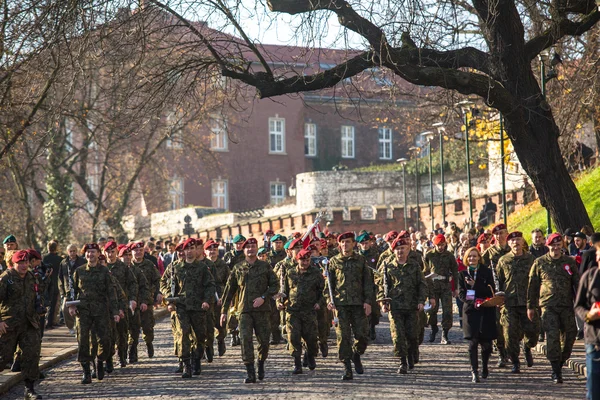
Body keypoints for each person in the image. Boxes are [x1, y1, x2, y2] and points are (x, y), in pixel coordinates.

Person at [220, 237, 279, 383]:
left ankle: (260, 363)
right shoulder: (238, 268)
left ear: (256, 248)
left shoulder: (265, 267)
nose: (250, 249)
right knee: (245, 340)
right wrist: (224, 311)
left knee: (264, 341)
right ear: (244, 250)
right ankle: (250, 371)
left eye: (253, 247)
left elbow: (275, 285)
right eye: (248, 247)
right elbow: (229, 291)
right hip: (244, 310)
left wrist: (264, 297)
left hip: (262, 310)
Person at [527, 233, 580, 383]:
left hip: (566, 306)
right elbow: (532, 286)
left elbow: (577, 283)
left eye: (558, 245)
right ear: (548, 246)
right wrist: (530, 306)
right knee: (552, 337)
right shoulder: (540, 262)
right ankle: (556, 370)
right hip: (548, 306)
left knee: (570, 334)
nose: (556, 248)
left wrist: (581, 302)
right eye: (553, 245)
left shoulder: (569, 262)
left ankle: (561, 361)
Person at [161, 238, 215, 378]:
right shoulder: (175, 267)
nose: (189, 251)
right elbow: (164, 284)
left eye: (192, 249)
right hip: (181, 306)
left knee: (199, 336)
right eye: (186, 249)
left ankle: (196, 359)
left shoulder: (202, 267)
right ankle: (186, 364)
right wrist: (169, 300)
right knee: (183, 334)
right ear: (183, 251)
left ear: (195, 250)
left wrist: (207, 301)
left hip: (198, 307)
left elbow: (210, 285)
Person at [324, 231, 373, 381]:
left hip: (358, 304)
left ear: (353, 244)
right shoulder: (333, 262)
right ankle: (347, 368)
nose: (345, 245)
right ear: (339, 244)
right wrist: (328, 300)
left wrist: (368, 301)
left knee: (363, 336)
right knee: (343, 337)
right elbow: (329, 285)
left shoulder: (361, 260)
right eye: (343, 242)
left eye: (348, 242)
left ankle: (356, 354)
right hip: (341, 305)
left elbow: (368, 283)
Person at [68, 243, 120, 384]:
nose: (90, 255)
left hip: (101, 311)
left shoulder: (104, 271)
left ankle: (100, 360)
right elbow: (72, 291)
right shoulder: (79, 271)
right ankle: (86, 372)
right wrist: (71, 305)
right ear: (85, 255)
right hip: (83, 312)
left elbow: (111, 292)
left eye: (93, 252)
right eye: (88, 252)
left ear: (98, 254)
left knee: (105, 340)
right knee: (83, 341)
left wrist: (115, 311)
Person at [376, 236, 427, 374]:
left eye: (403, 248)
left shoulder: (414, 265)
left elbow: (422, 284)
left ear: (408, 249)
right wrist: (382, 301)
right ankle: (402, 361)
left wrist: (421, 301)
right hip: (395, 307)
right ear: (393, 251)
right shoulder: (388, 265)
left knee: (412, 335)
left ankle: (412, 353)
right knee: (398, 336)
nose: (400, 251)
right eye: (397, 249)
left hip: (411, 306)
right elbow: (381, 285)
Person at [0, 250, 43, 399]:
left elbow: (36, 296)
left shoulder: (31, 277)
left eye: (26, 262)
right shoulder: (6, 278)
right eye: (20, 263)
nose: (24, 265)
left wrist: (39, 308)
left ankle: (29, 389)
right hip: (9, 324)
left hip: (29, 323)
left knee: (31, 355)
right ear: (13, 263)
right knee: (2, 357)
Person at [496, 231, 539, 373]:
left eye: (518, 240)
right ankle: (515, 361)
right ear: (509, 243)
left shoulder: (531, 259)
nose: (516, 242)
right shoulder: (503, 260)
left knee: (533, 332)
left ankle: (527, 347)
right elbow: (499, 281)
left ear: (522, 242)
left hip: (527, 303)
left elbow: (536, 280)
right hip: (509, 303)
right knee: (509, 334)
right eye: (512, 241)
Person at [278, 248, 324, 374]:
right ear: (297, 260)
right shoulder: (290, 273)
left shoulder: (315, 273)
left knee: (311, 338)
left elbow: (323, 291)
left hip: (309, 310)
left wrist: (319, 303)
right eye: (302, 260)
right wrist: (280, 302)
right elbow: (284, 291)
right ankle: (297, 363)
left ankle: (310, 355)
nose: (305, 263)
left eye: (307, 260)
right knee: (293, 337)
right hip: (293, 311)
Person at [458, 247, 497, 383]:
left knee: (486, 344)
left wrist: (476, 285)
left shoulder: (486, 272)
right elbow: (462, 294)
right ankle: (474, 371)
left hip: (486, 310)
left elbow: (490, 290)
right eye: (469, 256)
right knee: (472, 343)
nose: (472, 259)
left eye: (474, 256)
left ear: (479, 257)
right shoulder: (462, 274)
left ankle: (485, 366)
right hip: (470, 311)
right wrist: (474, 301)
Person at [104, 241, 138, 368]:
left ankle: (121, 356)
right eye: (108, 252)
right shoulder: (103, 267)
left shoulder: (123, 267)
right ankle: (109, 357)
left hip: (121, 304)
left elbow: (132, 283)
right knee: (108, 333)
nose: (110, 254)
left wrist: (133, 299)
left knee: (122, 332)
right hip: (106, 306)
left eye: (113, 252)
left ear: (116, 253)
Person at [482, 223, 511, 367]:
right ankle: (502, 353)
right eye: (497, 234)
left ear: (507, 234)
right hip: (496, 292)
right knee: (498, 325)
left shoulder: (513, 249)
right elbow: (481, 268)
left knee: (512, 325)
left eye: (502, 233)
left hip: (513, 292)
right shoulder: (490, 252)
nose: (499, 237)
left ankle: (513, 350)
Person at [424, 234, 459, 344]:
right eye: (438, 245)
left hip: (445, 286)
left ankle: (445, 334)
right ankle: (434, 328)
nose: (440, 247)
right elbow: (425, 271)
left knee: (447, 311)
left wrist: (455, 288)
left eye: (442, 245)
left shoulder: (449, 256)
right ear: (434, 245)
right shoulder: (429, 255)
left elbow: (455, 272)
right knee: (431, 311)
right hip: (432, 287)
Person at [574, 249, 600, 400]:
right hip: (594, 338)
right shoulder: (589, 277)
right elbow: (578, 306)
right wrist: (589, 315)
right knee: (594, 385)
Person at [130, 241, 162, 359]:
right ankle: (132, 350)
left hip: (146, 300)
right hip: (132, 302)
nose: (138, 253)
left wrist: (157, 292)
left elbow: (157, 280)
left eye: (140, 250)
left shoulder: (149, 264)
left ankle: (149, 343)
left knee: (147, 326)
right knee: (133, 328)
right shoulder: (128, 266)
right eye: (135, 251)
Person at [222, 234, 247, 347]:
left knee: (243, 310)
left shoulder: (247, 255)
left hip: (243, 286)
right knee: (232, 310)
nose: (239, 245)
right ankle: (233, 333)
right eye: (237, 243)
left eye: (241, 243)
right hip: (232, 286)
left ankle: (242, 332)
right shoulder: (228, 255)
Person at [58, 244, 86, 335]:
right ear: (67, 252)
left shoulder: (82, 261)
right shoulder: (63, 263)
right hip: (68, 290)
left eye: (74, 251)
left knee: (80, 309)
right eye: (71, 251)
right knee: (65, 309)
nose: (73, 253)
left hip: (79, 290)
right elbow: (60, 278)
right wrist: (62, 292)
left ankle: (80, 327)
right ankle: (71, 327)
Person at [42, 241, 63, 329]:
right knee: (53, 304)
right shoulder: (59, 259)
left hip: (45, 282)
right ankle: (50, 322)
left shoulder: (44, 258)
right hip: (55, 282)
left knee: (44, 302)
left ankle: (44, 322)